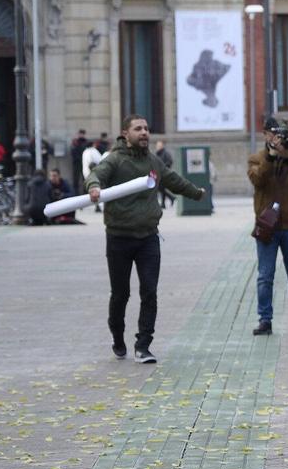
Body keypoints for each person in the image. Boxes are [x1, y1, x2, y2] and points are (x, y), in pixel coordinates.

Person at [86, 115, 204, 364]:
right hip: (119, 238)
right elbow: (96, 175)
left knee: (149, 292)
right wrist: (94, 188)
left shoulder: (153, 161)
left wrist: (196, 193)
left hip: (148, 238)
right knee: (120, 294)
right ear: (125, 133)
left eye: (146, 128)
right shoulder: (115, 160)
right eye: (138, 129)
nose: (144, 133)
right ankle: (118, 337)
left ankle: (143, 345)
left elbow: (174, 180)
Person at [249, 123, 288, 337]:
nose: (277, 139)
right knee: (265, 276)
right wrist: (270, 157)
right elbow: (258, 180)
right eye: (273, 134)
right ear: (266, 135)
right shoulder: (256, 158)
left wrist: (287, 156)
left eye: (281, 136)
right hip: (268, 227)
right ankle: (265, 320)